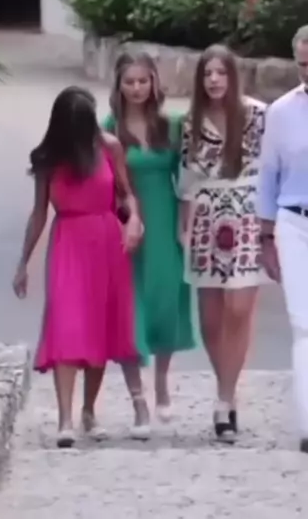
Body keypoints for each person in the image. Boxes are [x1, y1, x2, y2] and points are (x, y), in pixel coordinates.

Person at [12, 86, 147, 448]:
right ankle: (65, 419)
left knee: (98, 325)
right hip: (68, 241)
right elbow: (39, 213)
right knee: (67, 323)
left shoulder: (109, 147)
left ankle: (88, 410)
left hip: (106, 239)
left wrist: (134, 219)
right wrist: (23, 261)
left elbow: (125, 193)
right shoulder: (48, 159)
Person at [99, 51, 195, 421]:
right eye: (130, 82)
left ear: (154, 83)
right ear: (119, 86)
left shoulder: (171, 126)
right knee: (129, 308)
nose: (137, 88)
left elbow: (186, 181)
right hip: (125, 225)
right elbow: (104, 183)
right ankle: (137, 397)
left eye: (143, 81)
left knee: (165, 299)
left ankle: (162, 382)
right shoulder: (109, 128)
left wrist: (184, 225)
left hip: (165, 218)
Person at [179, 44, 267, 444]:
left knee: (239, 308)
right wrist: (184, 225)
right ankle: (226, 389)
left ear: (233, 76)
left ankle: (223, 400)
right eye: (207, 73)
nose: (214, 80)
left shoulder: (258, 116)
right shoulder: (190, 122)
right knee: (211, 320)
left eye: (221, 72)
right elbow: (186, 179)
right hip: (206, 216)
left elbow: (276, 167)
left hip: (248, 211)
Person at [256, 25, 308, 454]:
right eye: (304, 64)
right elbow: (268, 173)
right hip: (295, 223)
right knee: (303, 325)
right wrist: (265, 234)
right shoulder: (281, 112)